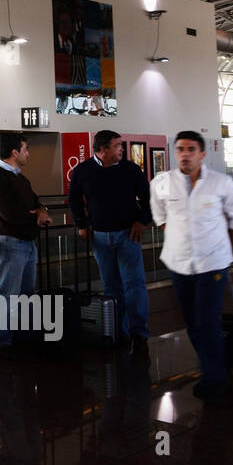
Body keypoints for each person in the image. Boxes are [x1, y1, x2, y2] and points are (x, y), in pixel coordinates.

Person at [149, 130, 233, 405]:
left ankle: (215, 376)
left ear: (202, 154)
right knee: (192, 321)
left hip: (212, 264)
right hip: (178, 264)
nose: (184, 153)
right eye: (180, 148)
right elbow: (159, 215)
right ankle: (213, 361)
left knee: (206, 319)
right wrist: (181, 239)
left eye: (191, 149)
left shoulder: (221, 184)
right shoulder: (162, 183)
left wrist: (220, 248)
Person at [68, 129, 152, 357]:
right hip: (100, 238)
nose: (122, 149)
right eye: (117, 146)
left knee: (134, 285)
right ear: (103, 149)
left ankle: (139, 333)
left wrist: (143, 221)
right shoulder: (83, 171)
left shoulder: (131, 170)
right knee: (111, 287)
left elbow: (147, 198)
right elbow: (74, 199)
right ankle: (118, 332)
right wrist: (81, 224)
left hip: (128, 236)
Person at [0, 132, 51, 357]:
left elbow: (35, 203)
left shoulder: (20, 179)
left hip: (26, 243)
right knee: (7, 294)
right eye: (25, 150)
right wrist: (36, 216)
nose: (28, 154)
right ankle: (3, 341)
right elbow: (10, 215)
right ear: (15, 152)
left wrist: (40, 211)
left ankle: (24, 337)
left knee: (25, 293)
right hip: (10, 244)